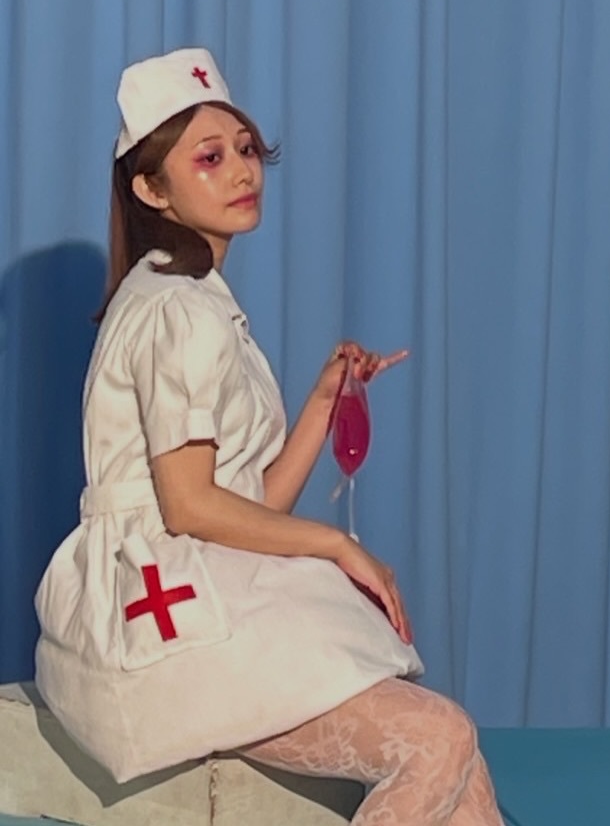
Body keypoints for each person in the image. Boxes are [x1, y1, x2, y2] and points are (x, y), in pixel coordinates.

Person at [34, 48, 503, 825]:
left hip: (203, 579)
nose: (242, 171)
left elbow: (250, 505)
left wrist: (321, 402)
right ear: (152, 189)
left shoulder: (191, 296)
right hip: (157, 616)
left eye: (246, 149)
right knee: (439, 739)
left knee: (458, 759)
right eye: (209, 158)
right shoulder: (178, 309)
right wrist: (338, 546)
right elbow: (189, 507)